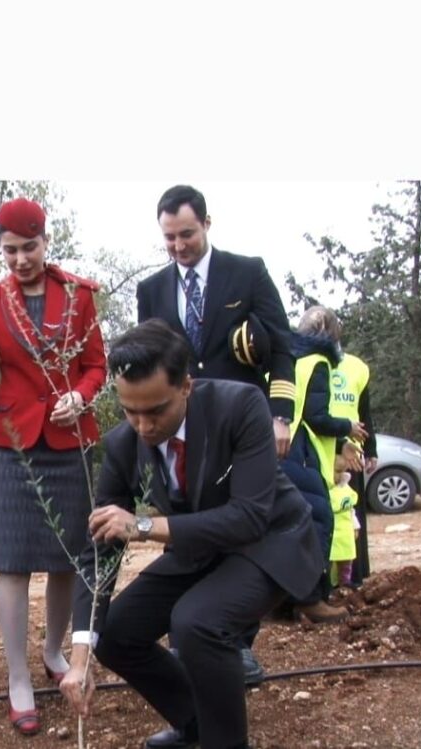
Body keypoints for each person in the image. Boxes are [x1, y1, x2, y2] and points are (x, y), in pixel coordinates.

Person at [59, 320, 321, 749]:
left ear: (186, 386)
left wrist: (143, 526)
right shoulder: (123, 445)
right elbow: (99, 549)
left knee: (197, 622)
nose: (143, 426)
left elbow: (250, 517)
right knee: (117, 633)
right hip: (201, 549)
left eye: (155, 411)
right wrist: (80, 656)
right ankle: (197, 724)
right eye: (130, 411)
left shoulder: (239, 406)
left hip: (271, 542)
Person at [0, 198, 107, 736]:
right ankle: (18, 677)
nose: (20, 259)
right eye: (10, 250)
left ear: (45, 241)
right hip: (11, 446)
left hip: (69, 441)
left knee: (66, 559)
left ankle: (54, 651)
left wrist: (81, 397)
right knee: (13, 563)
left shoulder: (79, 296)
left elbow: (96, 365)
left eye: (29, 248)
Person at [135, 184, 297, 682]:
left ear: (207, 223)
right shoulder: (152, 289)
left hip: (241, 426)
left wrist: (280, 415)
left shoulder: (247, 273)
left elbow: (283, 346)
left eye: (186, 234)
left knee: (243, 529)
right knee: (188, 530)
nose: (178, 246)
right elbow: (148, 360)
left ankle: (236, 641)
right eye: (169, 238)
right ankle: (189, 635)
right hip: (183, 430)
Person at [284, 306, 369, 622]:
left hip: (270, 449)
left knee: (281, 525)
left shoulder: (284, 357)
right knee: (317, 518)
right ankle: (310, 599)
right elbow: (316, 416)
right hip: (297, 451)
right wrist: (348, 427)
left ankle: (278, 599)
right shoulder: (317, 362)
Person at [327, 333, 377, 586]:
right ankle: (326, 581)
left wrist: (371, 449)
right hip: (320, 450)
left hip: (352, 453)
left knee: (350, 515)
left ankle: (354, 578)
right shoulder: (306, 363)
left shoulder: (357, 367)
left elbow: (364, 411)